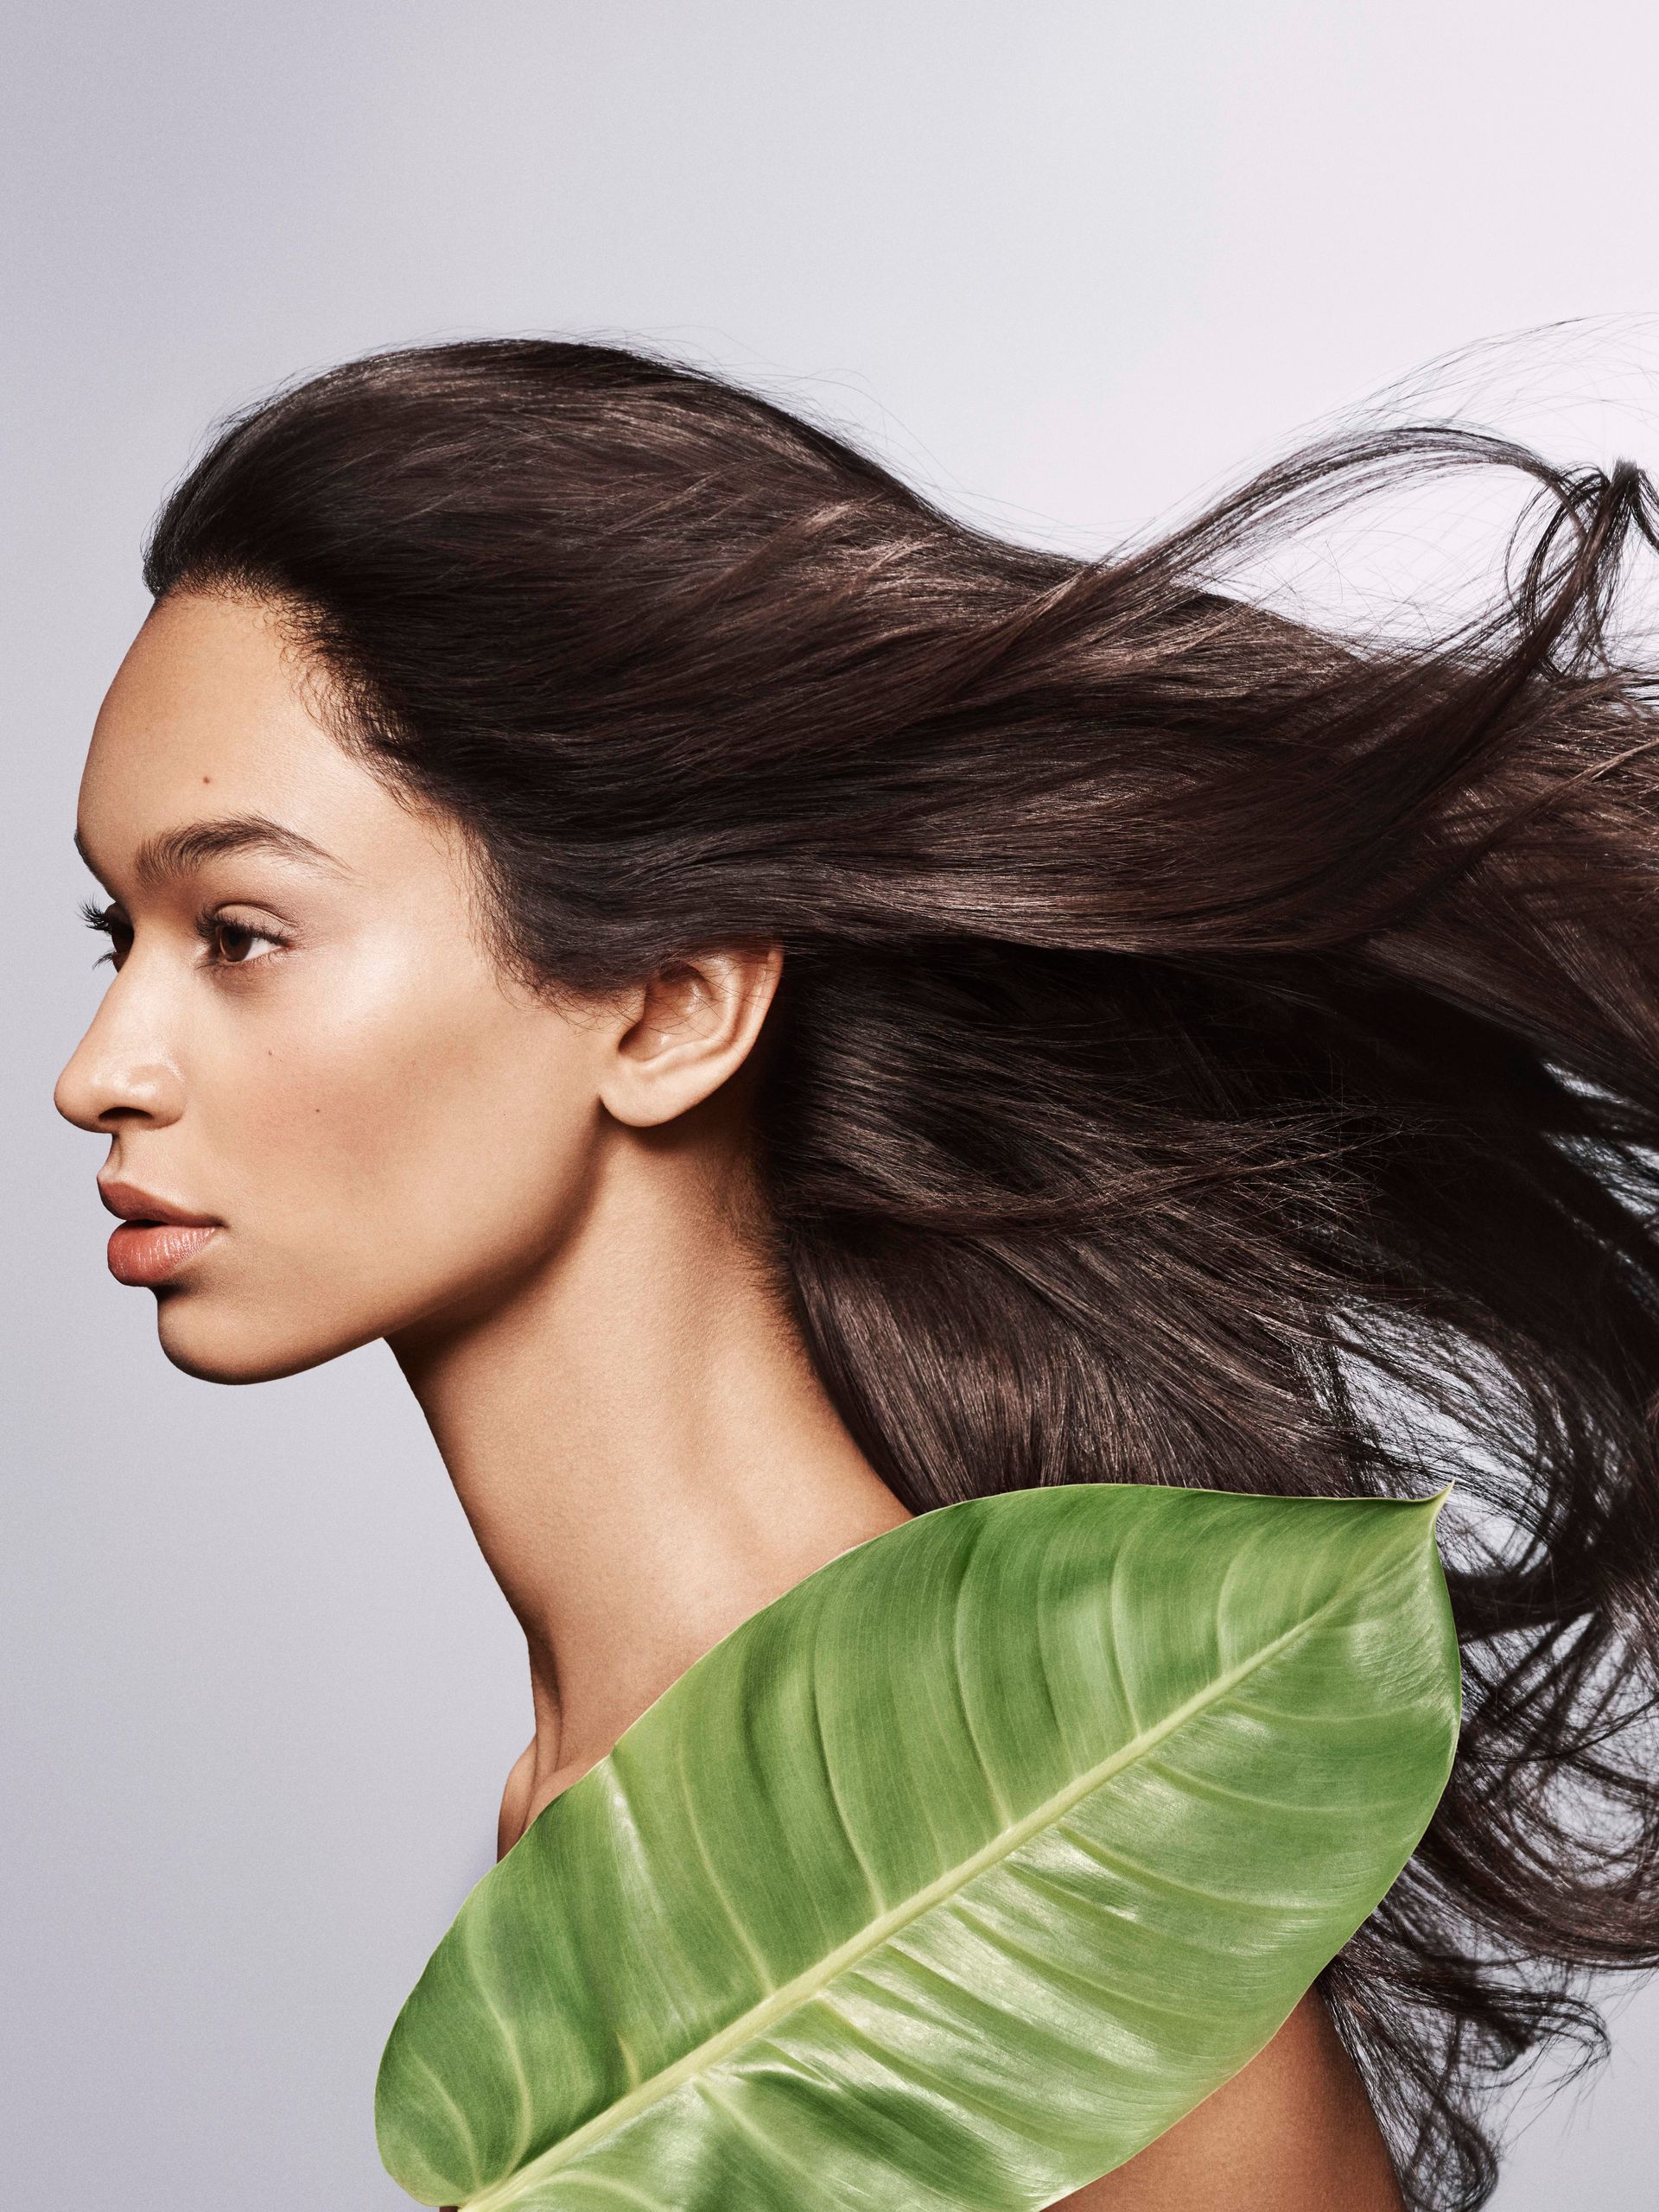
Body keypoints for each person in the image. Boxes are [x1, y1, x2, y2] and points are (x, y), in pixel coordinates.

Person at [53, 340, 1659, 2211]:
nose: (100, 1065)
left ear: (669, 1004)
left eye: (238, 931)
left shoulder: (991, 1807)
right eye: (119, 928)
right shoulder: (636, 1782)